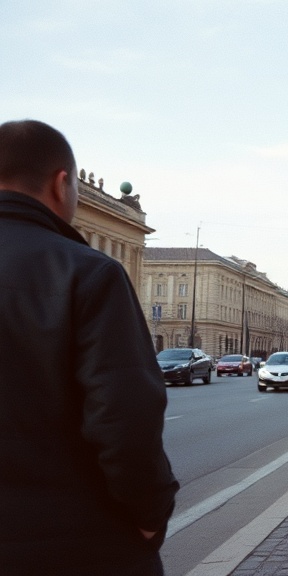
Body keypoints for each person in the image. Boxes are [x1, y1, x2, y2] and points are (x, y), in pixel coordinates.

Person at [0, 119, 179, 574]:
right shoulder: (89, 273)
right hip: (78, 545)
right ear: (62, 184)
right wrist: (148, 518)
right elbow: (127, 417)